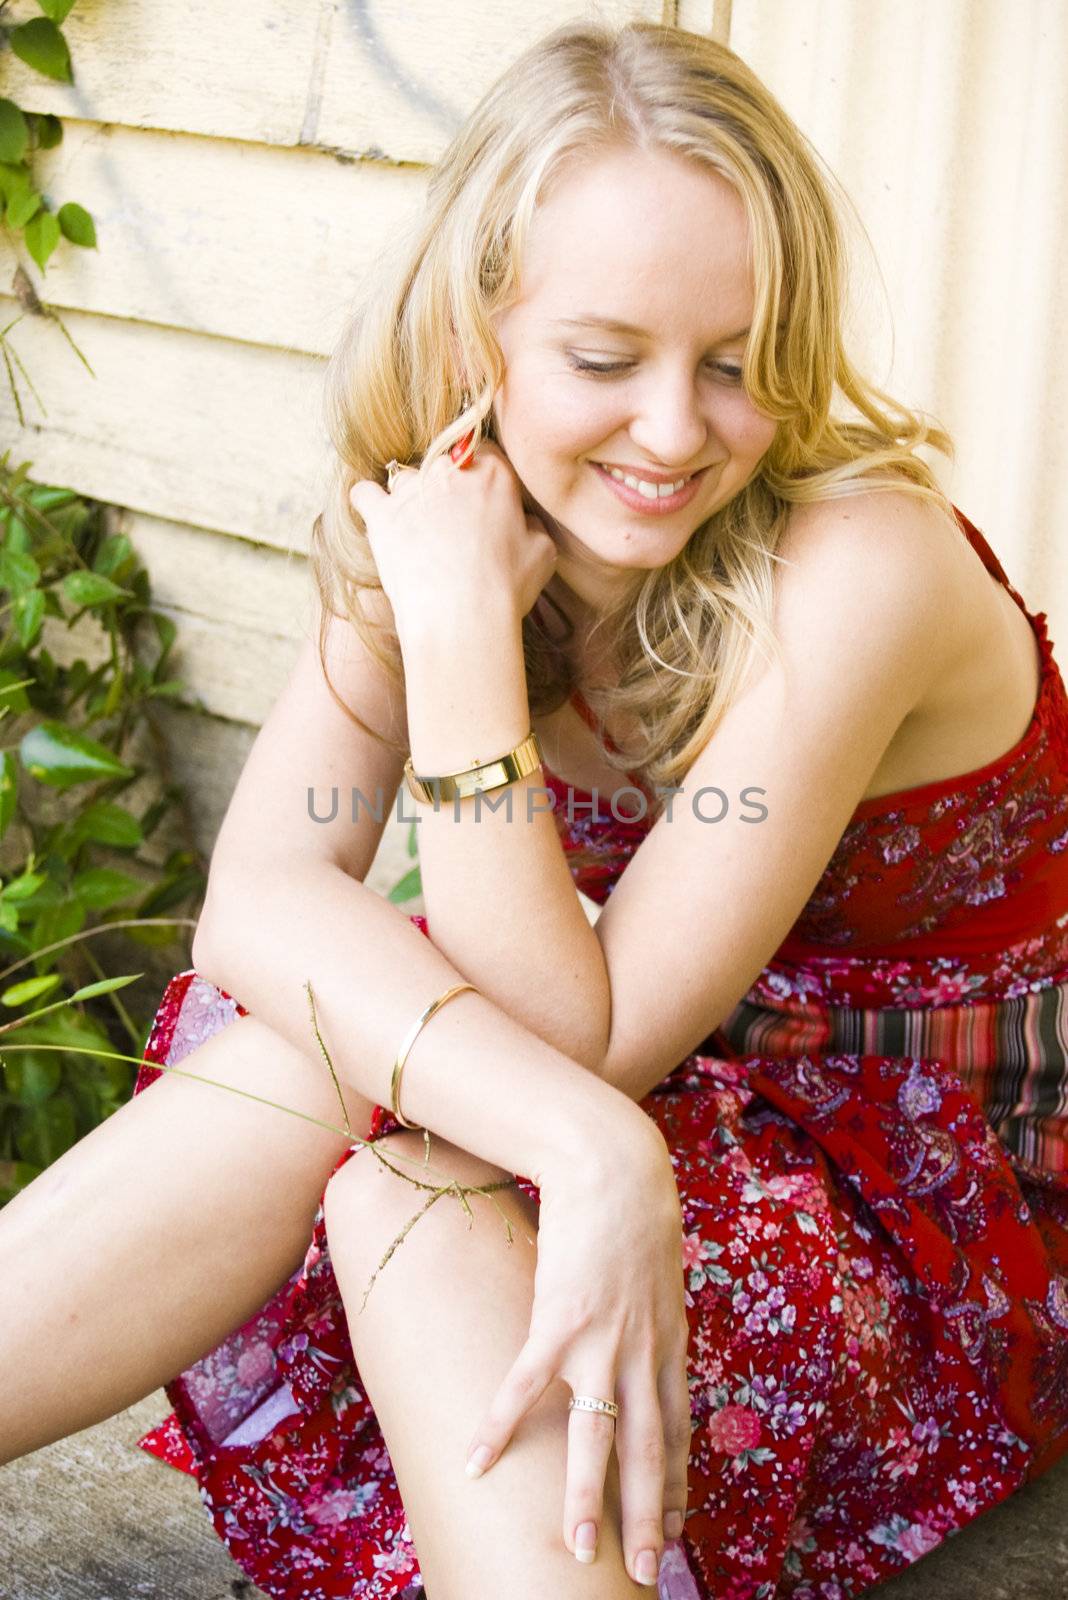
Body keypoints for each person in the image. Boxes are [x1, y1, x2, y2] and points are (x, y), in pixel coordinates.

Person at [3, 16, 1067, 1600]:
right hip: (658, 1098)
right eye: (601, 357)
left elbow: (587, 1036)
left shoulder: (865, 567)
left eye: (737, 363)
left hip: (924, 1190)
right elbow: (266, 903)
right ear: (473, 327)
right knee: (298, 1055)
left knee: (411, 1191)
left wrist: (460, 669)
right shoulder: (446, 519)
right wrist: (593, 1150)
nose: (672, 430)